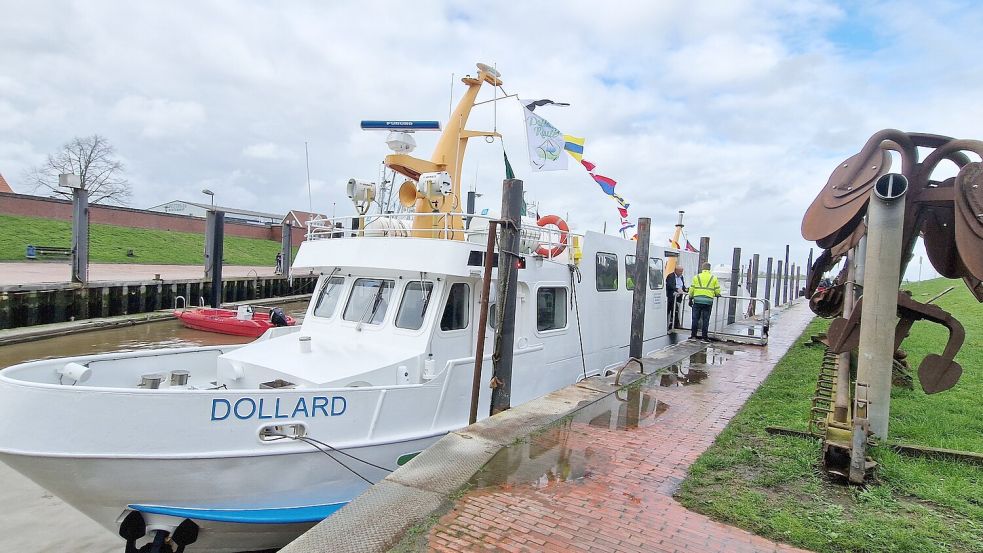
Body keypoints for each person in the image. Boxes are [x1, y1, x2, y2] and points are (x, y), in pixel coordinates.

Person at [689, 262, 721, 340]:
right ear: (709, 268)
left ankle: (693, 335)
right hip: (708, 301)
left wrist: (690, 298)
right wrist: (717, 294)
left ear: (702, 268)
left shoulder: (696, 277)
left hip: (697, 300)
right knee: (705, 319)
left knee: (695, 319)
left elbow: (692, 289)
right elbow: (717, 291)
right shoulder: (714, 278)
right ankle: (704, 337)